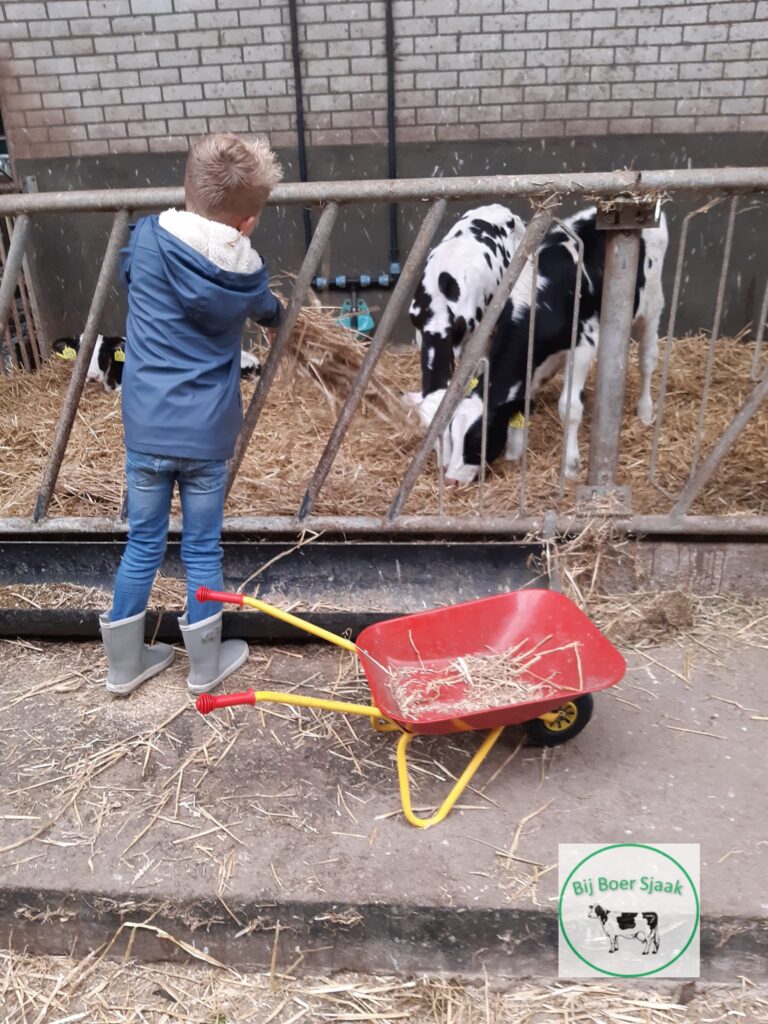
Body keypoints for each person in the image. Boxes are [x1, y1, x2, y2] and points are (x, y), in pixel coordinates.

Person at [100, 133, 283, 697]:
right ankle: (204, 669)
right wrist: (276, 310)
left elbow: (130, 276)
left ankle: (124, 667)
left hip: (148, 426)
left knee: (143, 545)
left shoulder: (149, 239)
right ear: (248, 221)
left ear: (185, 192)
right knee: (203, 547)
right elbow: (271, 311)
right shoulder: (247, 272)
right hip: (208, 436)